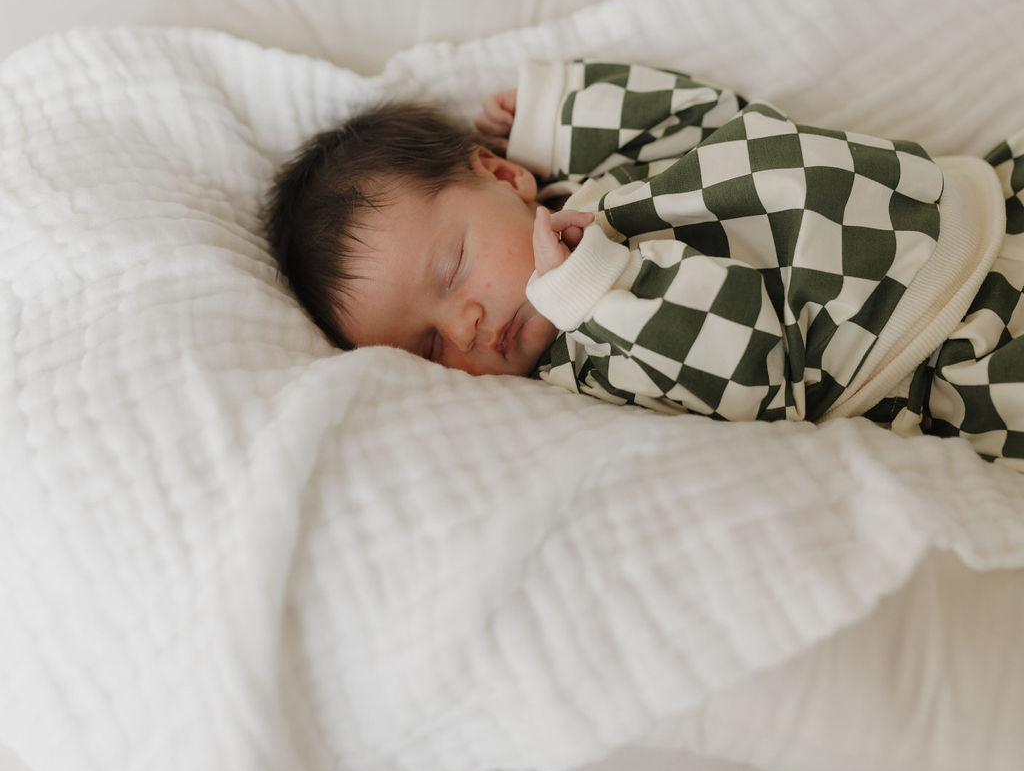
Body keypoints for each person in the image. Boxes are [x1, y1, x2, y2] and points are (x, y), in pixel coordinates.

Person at [263, 59, 1024, 469]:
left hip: (976, 199)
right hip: (947, 350)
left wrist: (558, 120)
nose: (462, 327)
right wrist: (599, 295)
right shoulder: (585, 360)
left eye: (454, 266)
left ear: (501, 175)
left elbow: (705, 118)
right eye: (428, 348)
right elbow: (755, 372)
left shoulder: (610, 180)